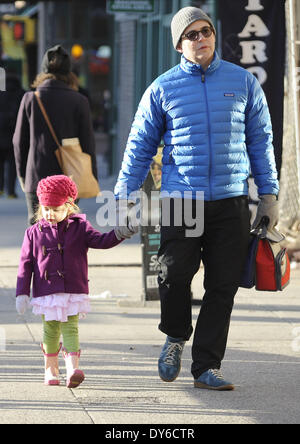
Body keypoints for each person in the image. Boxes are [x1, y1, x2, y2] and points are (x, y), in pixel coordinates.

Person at [114, 7, 279, 390]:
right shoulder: (162, 88)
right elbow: (139, 148)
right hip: (181, 200)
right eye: (192, 34)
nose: (201, 38)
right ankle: (175, 336)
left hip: (230, 199)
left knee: (223, 285)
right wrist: (125, 198)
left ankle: (207, 365)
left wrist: (268, 194)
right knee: (173, 276)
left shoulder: (243, 83)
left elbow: (261, 140)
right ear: (178, 44)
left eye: (206, 30)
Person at [15, 175, 136, 388]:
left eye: (56, 209)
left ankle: (72, 369)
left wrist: (119, 233)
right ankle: (51, 370)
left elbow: (101, 241)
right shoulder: (33, 233)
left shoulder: (80, 228)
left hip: (72, 289)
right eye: (46, 209)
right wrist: (22, 293)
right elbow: (25, 265)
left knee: (70, 327)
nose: (50, 214)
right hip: (47, 292)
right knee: (50, 330)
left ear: (69, 207)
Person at [13, 45, 97, 225]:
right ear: (69, 72)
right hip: (70, 177)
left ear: (44, 71)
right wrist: (91, 174)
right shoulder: (79, 100)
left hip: (36, 176)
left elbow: (19, 142)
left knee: (38, 233)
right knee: (67, 230)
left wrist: (22, 175)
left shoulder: (31, 98)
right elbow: (88, 142)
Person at [0, 73, 25, 198]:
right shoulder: (21, 93)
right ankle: (10, 191)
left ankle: (0, 189)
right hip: (15, 134)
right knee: (12, 163)